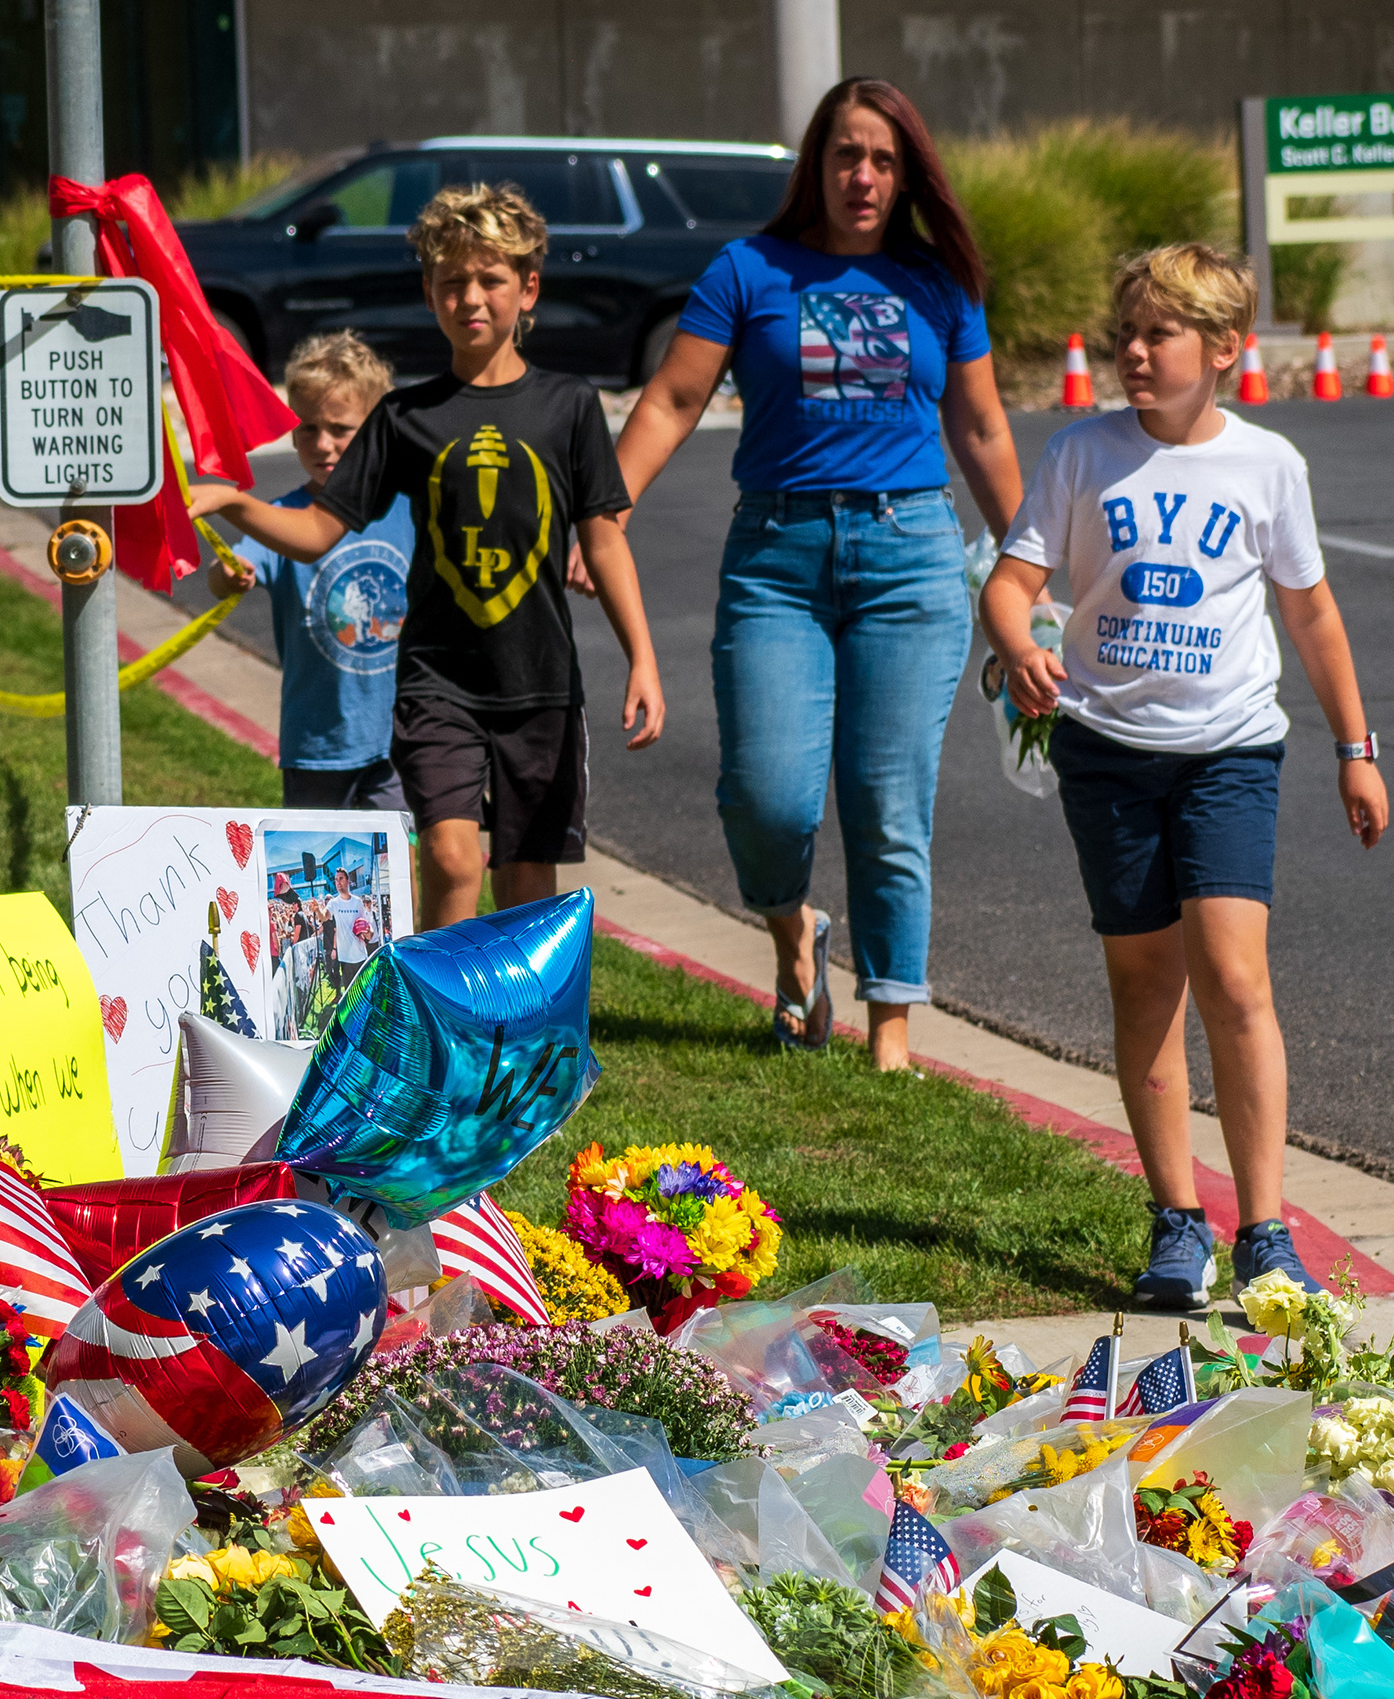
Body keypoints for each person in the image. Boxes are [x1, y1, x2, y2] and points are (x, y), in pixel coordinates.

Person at [977, 243, 1391, 1313]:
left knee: (1235, 975)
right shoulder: (1081, 455)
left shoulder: (1268, 467)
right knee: (1145, 983)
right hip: (1106, 751)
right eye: (1127, 332)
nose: (1134, 352)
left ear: (1222, 350)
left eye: (1159, 334)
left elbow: (1311, 611)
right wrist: (1021, 643)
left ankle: (1264, 1229)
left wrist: (1356, 749)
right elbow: (1013, 579)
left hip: (1230, 750)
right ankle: (1175, 1221)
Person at [609, 77, 1022, 1072]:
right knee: (768, 794)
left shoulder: (939, 283)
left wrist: (1030, 553)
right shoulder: (749, 271)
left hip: (909, 557)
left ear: (908, 173)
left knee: (888, 799)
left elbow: (979, 425)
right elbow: (671, 398)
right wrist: (605, 511)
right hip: (776, 562)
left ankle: (890, 1031)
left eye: (884, 159)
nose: (864, 176)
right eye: (847, 155)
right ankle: (794, 929)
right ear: (817, 165)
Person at [188, 185, 664, 933]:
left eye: (490, 280)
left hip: (537, 685)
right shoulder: (405, 418)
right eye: (451, 283)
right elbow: (317, 530)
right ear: (429, 292)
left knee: (527, 880)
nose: (469, 298)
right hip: (437, 684)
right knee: (448, 858)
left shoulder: (569, 405)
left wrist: (642, 657)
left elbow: (602, 536)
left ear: (527, 288)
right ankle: (446, 1036)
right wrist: (235, 503)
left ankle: (524, 1039)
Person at [209, 332, 414, 812]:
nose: (323, 444)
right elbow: (226, 577)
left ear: (375, 427)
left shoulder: (407, 507)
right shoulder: (281, 517)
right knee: (319, 876)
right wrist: (229, 573)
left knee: (394, 875)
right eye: (307, 429)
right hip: (317, 744)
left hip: (400, 739)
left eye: (340, 428)